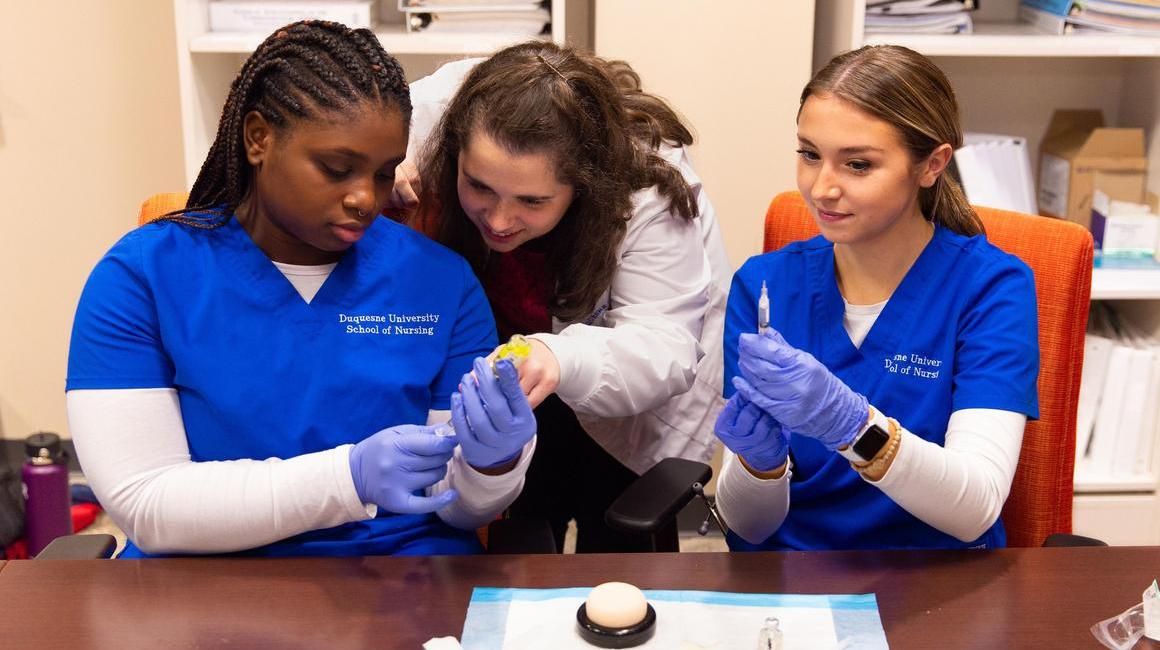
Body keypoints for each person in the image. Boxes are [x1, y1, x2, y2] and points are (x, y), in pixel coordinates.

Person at [65, 21, 536, 558]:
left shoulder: (441, 283)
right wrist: (346, 478)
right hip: (205, 582)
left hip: (400, 584)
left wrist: (491, 466)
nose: (365, 198)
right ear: (258, 137)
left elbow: (454, 505)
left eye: (384, 174)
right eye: (337, 169)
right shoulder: (141, 278)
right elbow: (146, 503)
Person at [397, 42, 730, 552]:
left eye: (532, 200)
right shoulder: (437, 112)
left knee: (620, 558)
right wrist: (379, 166)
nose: (500, 220)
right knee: (518, 548)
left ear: (585, 185)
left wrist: (559, 355)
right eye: (479, 186)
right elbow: (342, 125)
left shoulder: (647, 185)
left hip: (626, 397)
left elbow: (662, 345)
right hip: (500, 370)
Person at [713, 45, 1039, 551]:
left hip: (937, 586)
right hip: (794, 590)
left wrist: (853, 426)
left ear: (931, 165)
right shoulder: (763, 287)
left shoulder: (989, 288)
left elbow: (976, 508)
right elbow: (749, 527)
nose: (822, 188)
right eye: (809, 154)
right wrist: (760, 464)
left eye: (858, 165)